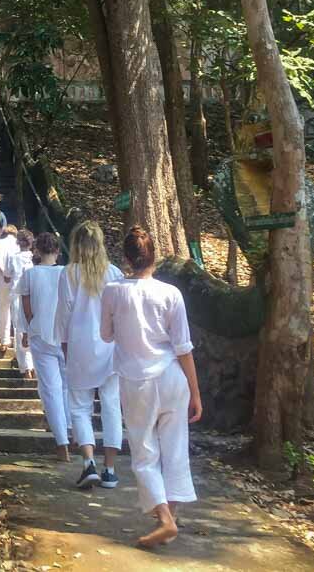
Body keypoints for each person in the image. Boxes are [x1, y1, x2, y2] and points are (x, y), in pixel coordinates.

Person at [101, 226, 201, 549]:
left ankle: (165, 519)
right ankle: (170, 517)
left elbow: (105, 335)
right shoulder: (171, 294)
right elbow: (183, 347)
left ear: (126, 259)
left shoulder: (113, 292)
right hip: (173, 377)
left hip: (137, 380)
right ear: (153, 257)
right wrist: (196, 392)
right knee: (174, 448)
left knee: (144, 452)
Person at [57, 220, 124, 490]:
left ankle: (88, 464)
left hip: (80, 345)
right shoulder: (114, 273)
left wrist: (63, 343)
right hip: (110, 347)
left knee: (80, 407)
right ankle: (110, 469)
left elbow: (64, 313)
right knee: (111, 406)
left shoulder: (69, 273)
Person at [18, 231, 71, 460]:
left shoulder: (30, 275)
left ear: (36, 251)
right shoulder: (67, 274)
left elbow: (26, 308)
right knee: (66, 387)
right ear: (58, 251)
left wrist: (27, 331)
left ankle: (62, 444)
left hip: (40, 334)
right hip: (67, 336)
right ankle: (69, 430)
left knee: (50, 389)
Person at [5, 230, 37, 375]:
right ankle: (34, 364)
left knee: (19, 330)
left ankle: (24, 367)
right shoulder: (35, 259)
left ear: (18, 242)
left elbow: (6, 276)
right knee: (32, 328)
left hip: (17, 295)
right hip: (33, 297)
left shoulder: (13, 258)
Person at [0, 225, 22, 351]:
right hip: (17, 281)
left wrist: (3, 274)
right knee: (18, 310)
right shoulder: (18, 244)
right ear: (15, 233)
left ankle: (4, 340)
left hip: (2, 281)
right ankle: (19, 341)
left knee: (3, 309)